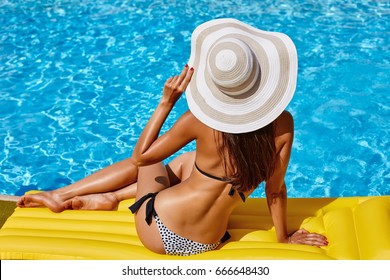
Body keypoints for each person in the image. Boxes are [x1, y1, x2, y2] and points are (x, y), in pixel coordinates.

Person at [17, 18, 328, 255]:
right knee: (188, 162)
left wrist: (166, 101)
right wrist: (284, 237)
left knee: (156, 160)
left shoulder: (199, 121)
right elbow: (275, 191)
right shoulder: (283, 124)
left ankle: (60, 195)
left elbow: (142, 157)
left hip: (159, 231)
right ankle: (110, 197)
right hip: (208, 242)